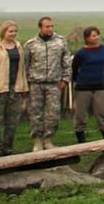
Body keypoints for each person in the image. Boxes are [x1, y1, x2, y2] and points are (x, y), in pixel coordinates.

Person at [24, 16, 71, 150]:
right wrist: (27, 82)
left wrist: (65, 79)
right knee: (35, 113)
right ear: (40, 28)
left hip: (54, 83)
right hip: (35, 83)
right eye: (47, 26)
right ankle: (37, 141)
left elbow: (66, 62)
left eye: (52, 26)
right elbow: (25, 65)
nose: (50, 29)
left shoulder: (61, 42)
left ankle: (48, 140)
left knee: (53, 113)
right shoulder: (30, 44)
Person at [0, 21, 28, 157]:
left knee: (13, 121)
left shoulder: (19, 47)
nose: (13, 34)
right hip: (0, 89)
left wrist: (23, 87)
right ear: (4, 32)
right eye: (10, 31)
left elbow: (22, 69)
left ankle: (8, 148)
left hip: (15, 88)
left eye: (15, 31)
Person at [72, 27, 104, 142]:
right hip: (83, 87)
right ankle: (81, 139)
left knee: (102, 112)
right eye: (93, 36)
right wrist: (79, 80)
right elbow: (74, 68)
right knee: (81, 114)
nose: (96, 37)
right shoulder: (81, 53)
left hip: (99, 85)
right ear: (87, 38)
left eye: (97, 35)